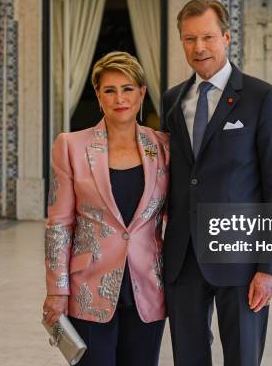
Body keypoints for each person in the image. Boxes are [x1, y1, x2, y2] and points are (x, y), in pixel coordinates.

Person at [160, 0, 272, 366]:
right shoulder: (173, 101)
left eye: (207, 37)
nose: (198, 48)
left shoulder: (263, 98)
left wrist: (270, 265)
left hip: (243, 258)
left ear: (226, 37)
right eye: (189, 39)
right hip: (182, 258)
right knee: (188, 357)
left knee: (242, 358)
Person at [42, 51, 169, 366]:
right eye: (110, 90)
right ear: (98, 96)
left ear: (142, 93)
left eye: (127, 89)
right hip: (88, 286)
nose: (119, 98)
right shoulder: (70, 146)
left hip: (148, 286)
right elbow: (59, 224)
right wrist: (57, 289)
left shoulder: (164, 146)